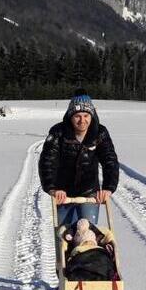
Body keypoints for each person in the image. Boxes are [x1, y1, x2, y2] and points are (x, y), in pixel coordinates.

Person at [39, 89, 119, 226]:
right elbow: (47, 161)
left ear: (91, 116)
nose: (82, 121)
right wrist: (52, 188)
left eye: (86, 116)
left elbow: (110, 160)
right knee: (66, 236)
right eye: (77, 116)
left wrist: (108, 188)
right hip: (63, 193)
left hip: (89, 193)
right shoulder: (58, 133)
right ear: (71, 116)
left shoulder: (100, 133)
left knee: (88, 232)